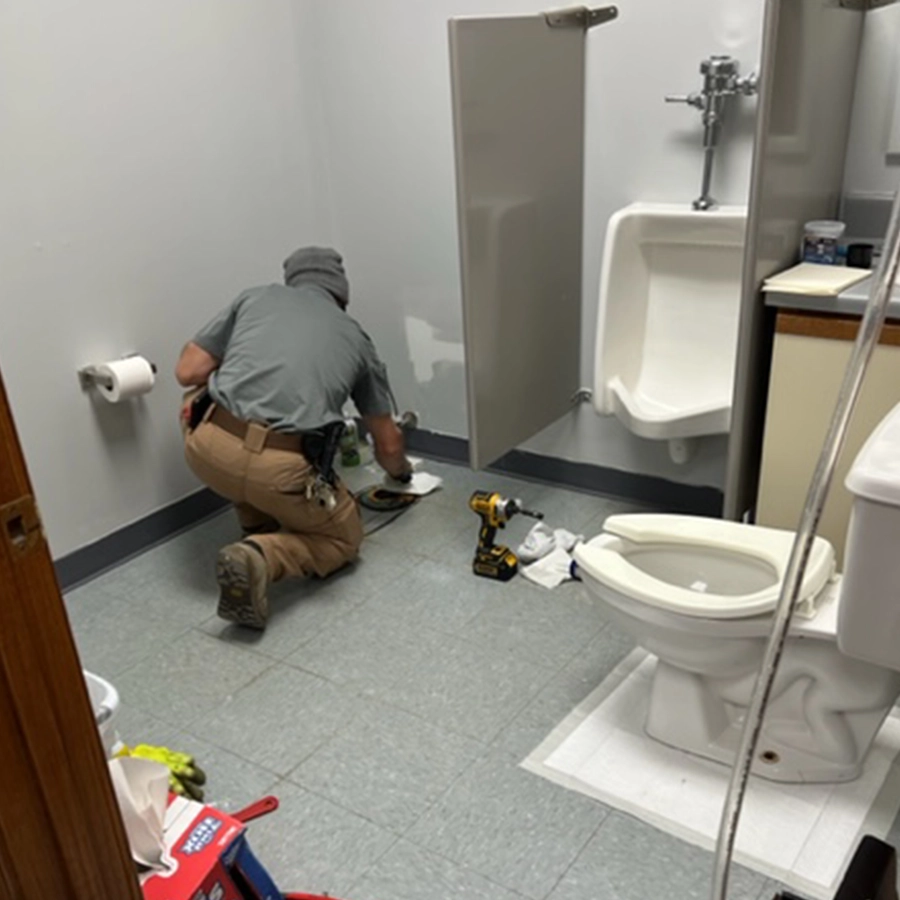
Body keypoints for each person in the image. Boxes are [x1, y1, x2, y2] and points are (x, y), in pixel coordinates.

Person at [175, 246, 412, 629]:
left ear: (292, 279)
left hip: (207, 449)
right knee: (343, 540)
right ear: (342, 294)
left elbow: (187, 370)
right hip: (280, 470)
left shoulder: (255, 297)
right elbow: (387, 444)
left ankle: (255, 525)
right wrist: (400, 475)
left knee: (196, 395)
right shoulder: (356, 337)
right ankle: (261, 555)